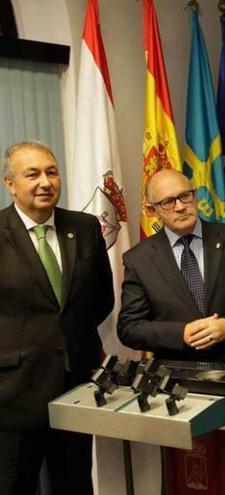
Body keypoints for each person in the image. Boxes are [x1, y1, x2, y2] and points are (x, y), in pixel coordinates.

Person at [0, 140, 113, 494]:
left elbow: (101, 298)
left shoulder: (84, 227)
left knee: (75, 483)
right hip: (12, 394)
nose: (45, 182)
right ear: (10, 184)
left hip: (76, 385)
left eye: (52, 172)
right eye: (32, 174)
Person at [118, 169, 225, 363]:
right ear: (151, 210)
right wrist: (181, 333)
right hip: (177, 374)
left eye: (185, 196)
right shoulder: (139, 259)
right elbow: (129, 328)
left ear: (195, 195)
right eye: (168, 202)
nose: (180, 207)